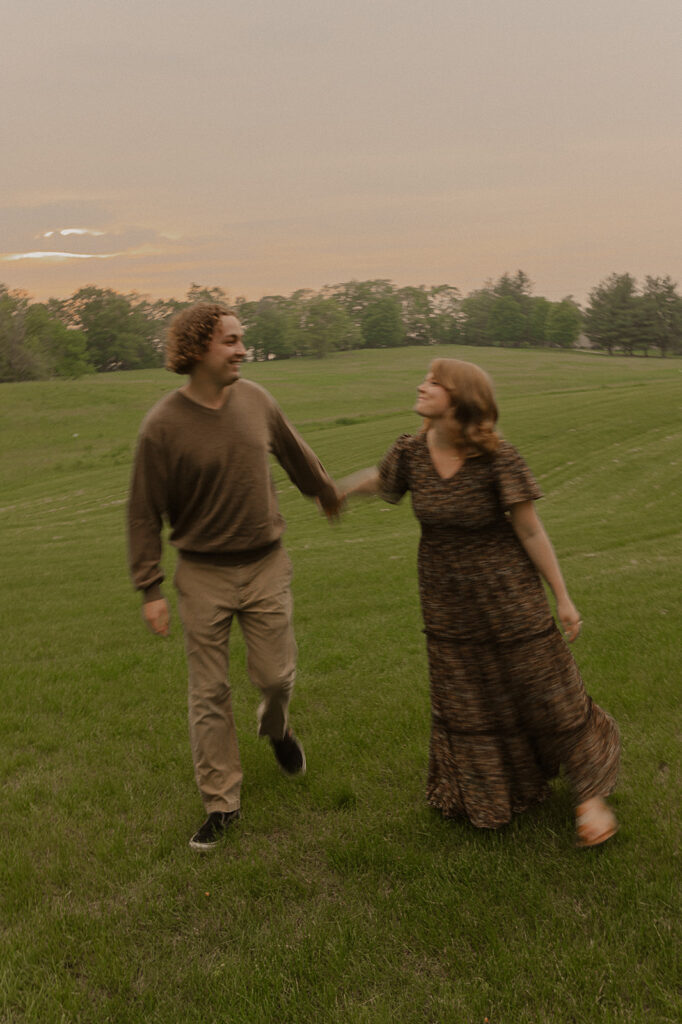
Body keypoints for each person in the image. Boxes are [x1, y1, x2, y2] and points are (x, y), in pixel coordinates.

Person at [341, 358, 620, 847]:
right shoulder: (410, 453)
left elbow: (530, 529)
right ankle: (485, 794)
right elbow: (381, 482)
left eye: (434, 383)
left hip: (510, 599)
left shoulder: (498, 458)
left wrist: (564, 597)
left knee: (547, 694)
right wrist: (340, 492)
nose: (421, 386)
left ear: (461, 401)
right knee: (468, 701)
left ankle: (591, 796)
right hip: (447, 605)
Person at [127, 303, 341, 852]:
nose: (242, 349)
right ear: (198, 348)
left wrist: (323, 489)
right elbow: (143, 510)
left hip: (266, 563)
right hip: (202, 574)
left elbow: (294, 452)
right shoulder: (162, 427)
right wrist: (149, 588)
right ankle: (222, 803)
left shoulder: (256, 400)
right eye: (231, 340)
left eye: (241, 339)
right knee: (209, 692)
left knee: (276, 679)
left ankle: (276, 729)